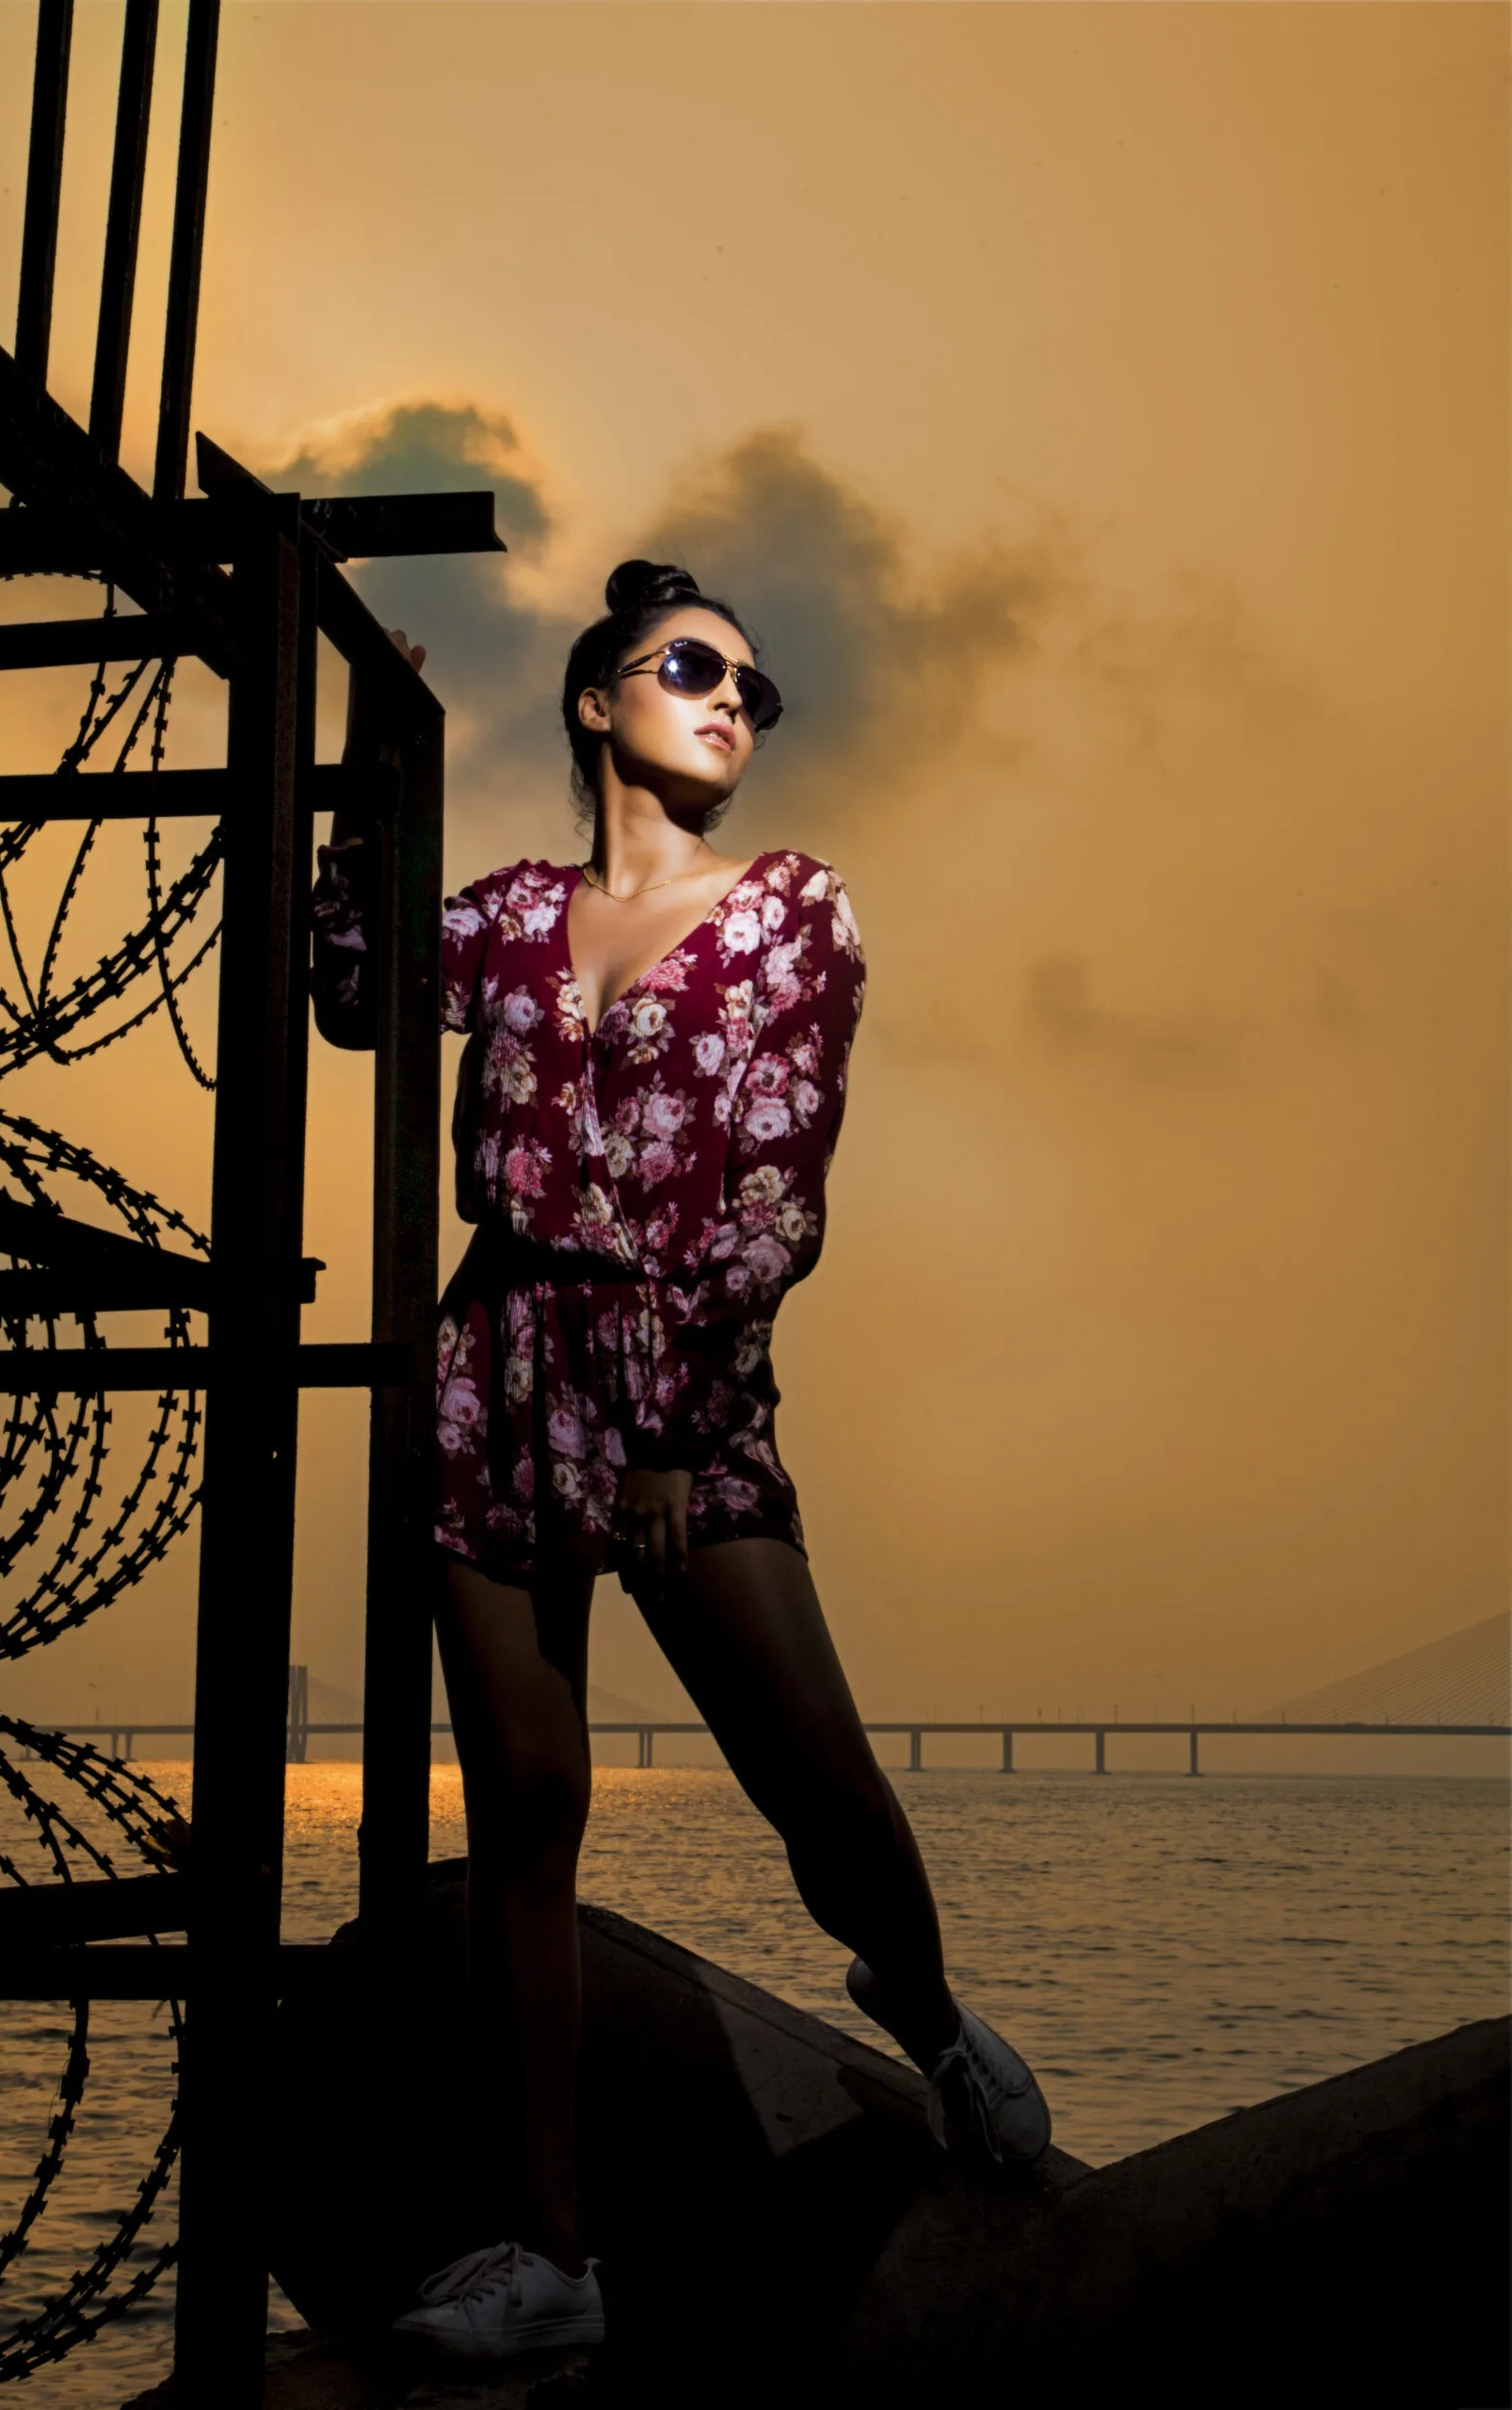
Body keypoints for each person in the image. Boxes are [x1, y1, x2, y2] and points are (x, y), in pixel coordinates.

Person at [309, 559, 1051, 2364]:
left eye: (755, 689)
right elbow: (349, 994)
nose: (733, 700)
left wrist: (670, 1423)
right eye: (696, 666)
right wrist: (360, 783)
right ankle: (550, 2252)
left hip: (678, 1377)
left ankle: (933, 2016)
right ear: (595, 700)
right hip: (492, 1370)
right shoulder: (502, 918)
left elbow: (778, 1194)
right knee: (526, 1833)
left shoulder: (790, 911)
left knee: (821, 1793)